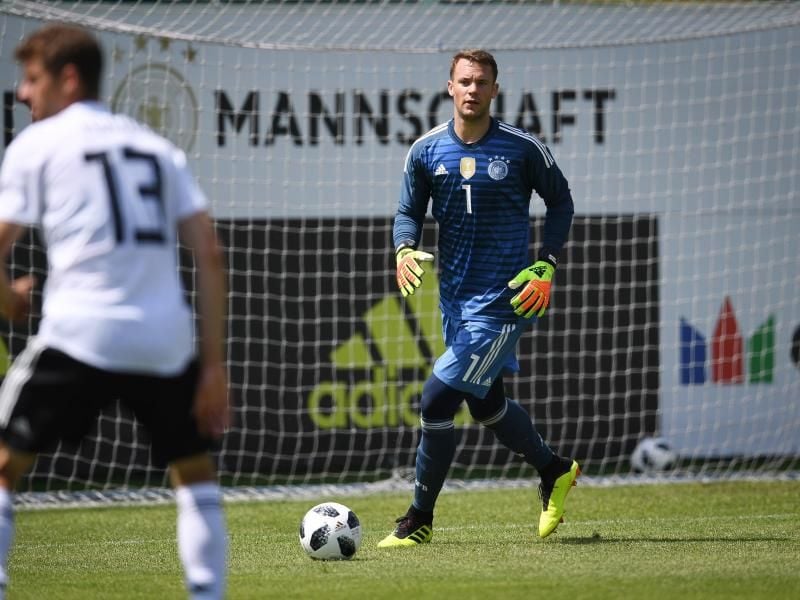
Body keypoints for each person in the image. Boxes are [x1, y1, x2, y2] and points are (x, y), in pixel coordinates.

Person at [0, 24, 229, 598]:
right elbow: (210, 255)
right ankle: (208, 592)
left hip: (80, 333)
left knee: (3, 470)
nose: (23, 94)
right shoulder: (158, 148)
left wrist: (8, 301)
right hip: (163, 340)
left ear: (69, 78)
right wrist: (214, 368)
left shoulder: (40, 143)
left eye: (32, 79)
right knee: (195, 477)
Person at [378, 49, 578, 548]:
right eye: (464, 81)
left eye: (481, 82)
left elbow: (561, 200)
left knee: (434, 401)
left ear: (495, 89)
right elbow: (407, 211)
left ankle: (418, 518)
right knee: (486, 406)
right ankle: (553, 469)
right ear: (450, 87)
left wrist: (547, 264)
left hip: (505, 302)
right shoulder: (426, 151)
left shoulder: (521, 148)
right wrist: (404, 248)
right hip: (455, 304)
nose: (472, 89)